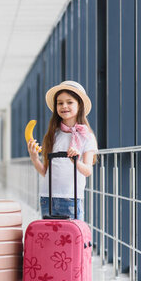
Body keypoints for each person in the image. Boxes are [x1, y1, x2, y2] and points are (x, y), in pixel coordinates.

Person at [27, 80, 98, 221]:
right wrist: (34, 158)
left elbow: (88, 171)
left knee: (73, 240)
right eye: (60, 103)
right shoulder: (53, 135)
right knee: (49, 241)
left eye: (69, 102)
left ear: (80, 105)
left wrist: (75, 161)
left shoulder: (87, 136)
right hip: (47, 197)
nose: (64, 106)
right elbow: (46, 172)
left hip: (71, 197)